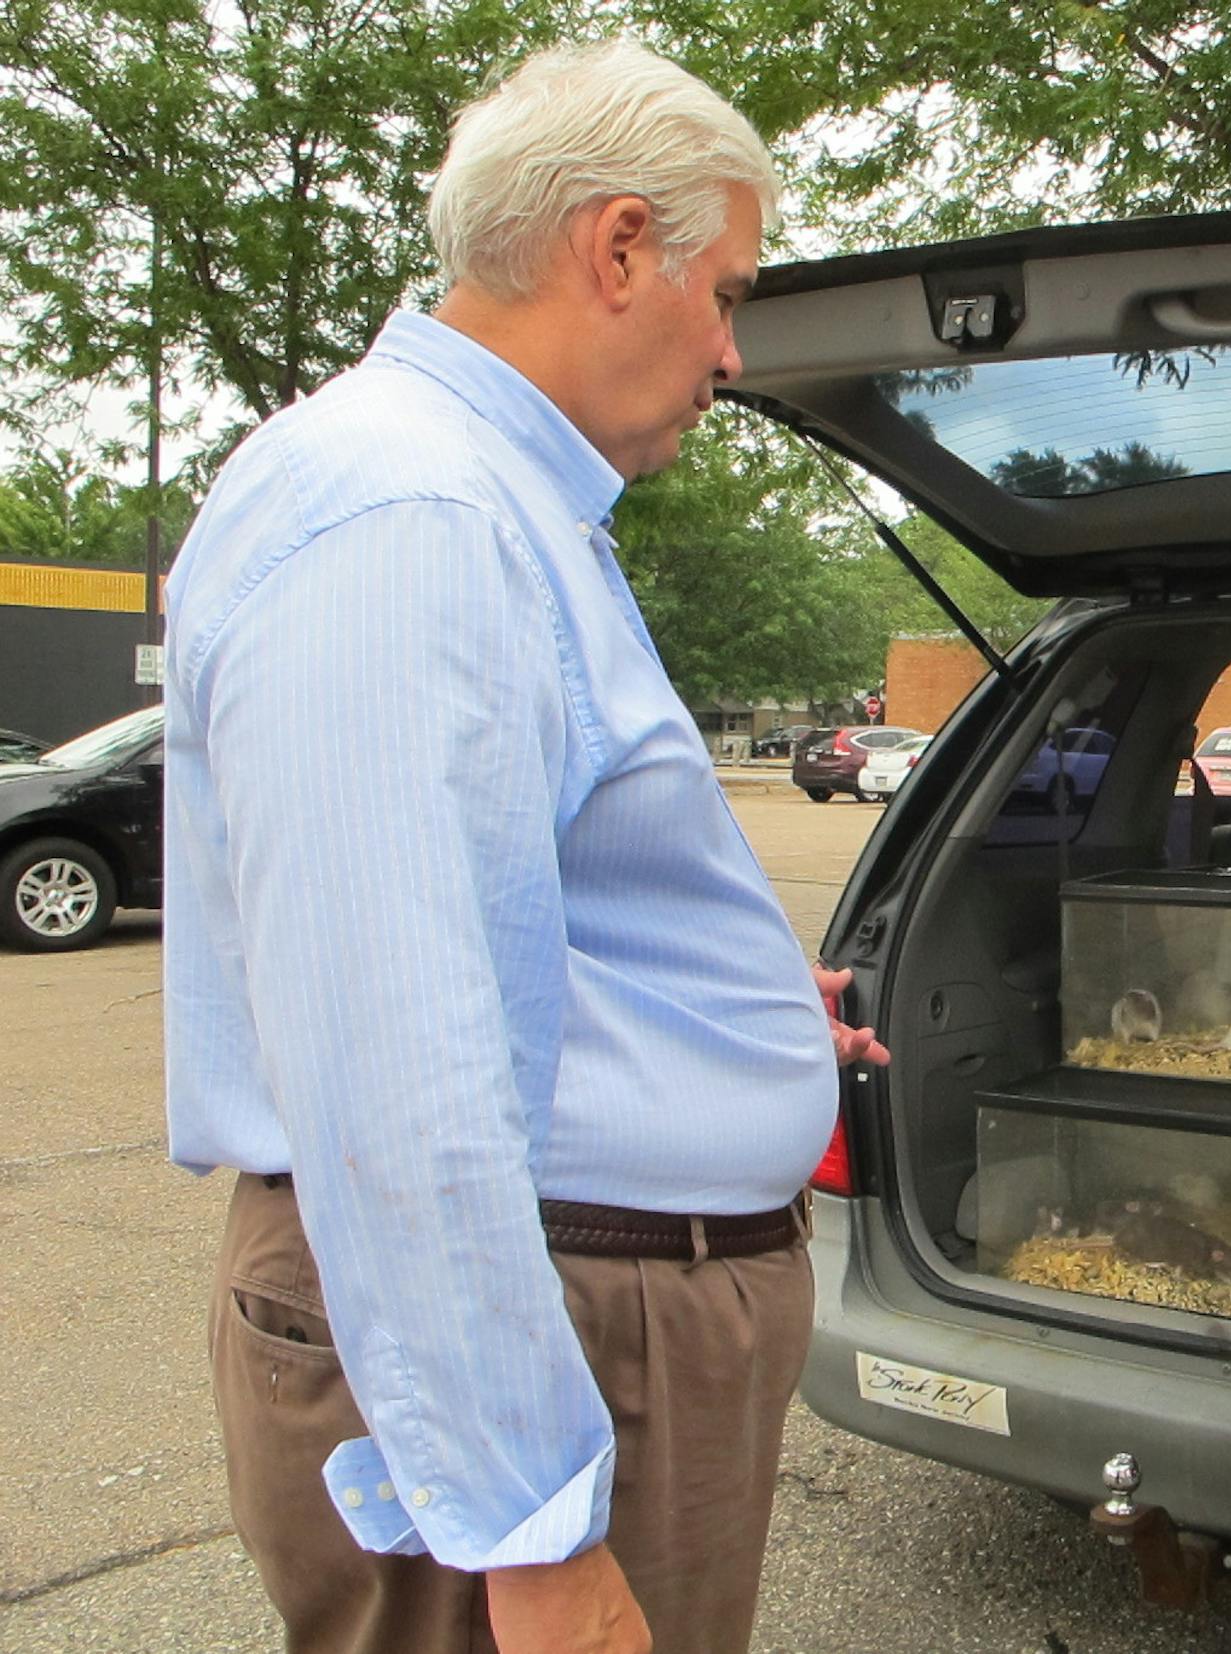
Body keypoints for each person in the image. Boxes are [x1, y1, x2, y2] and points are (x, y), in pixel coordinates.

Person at [161, 39, 887, 1654]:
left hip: (599, 1303)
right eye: (726, 291)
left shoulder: (489, 502)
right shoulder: (406, 513)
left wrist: (733, 1021)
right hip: (559, 1338)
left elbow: (499, 923)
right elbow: (395, 1063)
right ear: (617, 246)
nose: (732, 350)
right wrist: (533, 1526)